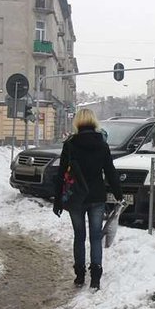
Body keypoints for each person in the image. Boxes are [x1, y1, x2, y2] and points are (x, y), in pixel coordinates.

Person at [53, 108, 123, 290]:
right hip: (97, 196)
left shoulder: (70, 144)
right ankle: (96, 277)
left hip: (76, 197)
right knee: (95, 236)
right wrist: (118, 193)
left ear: (77, 122)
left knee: (79, 236)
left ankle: (80, 275)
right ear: (94, 122)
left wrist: (58, 200)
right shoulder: (102, 144)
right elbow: (110, 171)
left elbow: (61, 173)